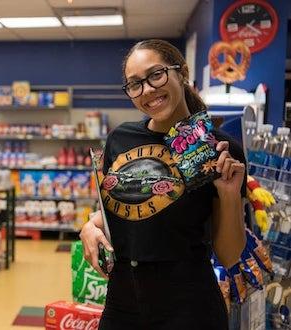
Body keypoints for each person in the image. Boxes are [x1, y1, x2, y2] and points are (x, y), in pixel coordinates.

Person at [79, 39, 247, 329]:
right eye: (134, 84)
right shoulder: (120, 139)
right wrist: (90, 226)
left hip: (188, 304)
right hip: (122, 300)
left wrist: (229, 195)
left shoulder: (220, 149)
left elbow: (229, 255)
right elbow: (116, 212)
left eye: (156, 75)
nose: (147, 90)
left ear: (181, 73)